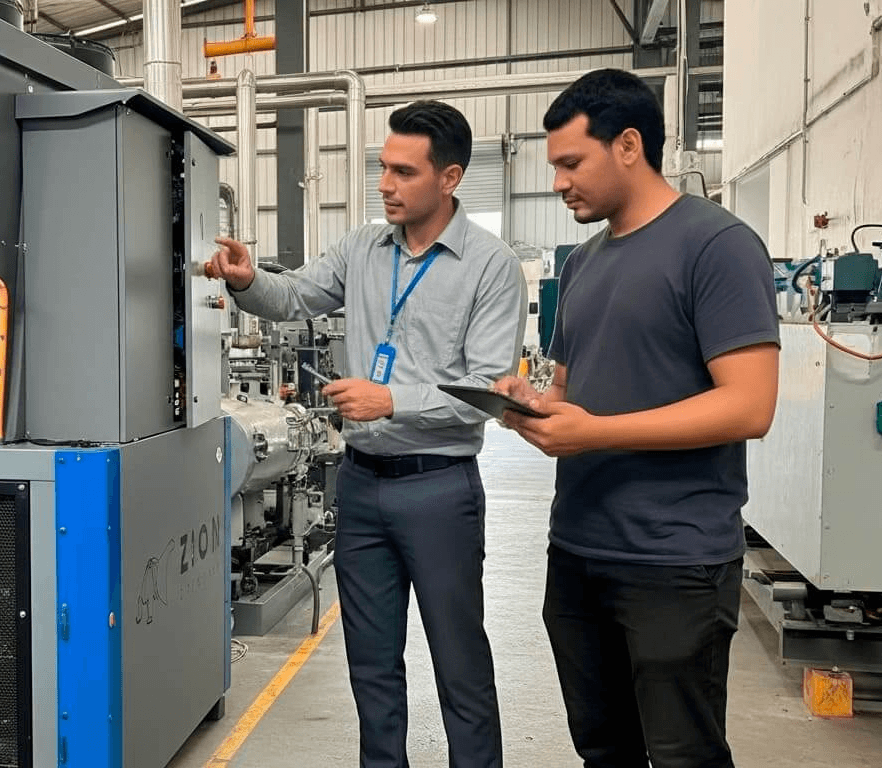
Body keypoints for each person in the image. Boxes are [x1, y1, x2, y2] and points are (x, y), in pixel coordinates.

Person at [207, 100, 527, 768]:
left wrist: (392, 399)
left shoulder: (489, 266)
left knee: (459, 667)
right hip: (361, 489)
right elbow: (295, 295)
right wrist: (247, 280)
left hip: (438, 489)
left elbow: (487, 393)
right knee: (372, 670)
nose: (385, 183)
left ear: (450, 178)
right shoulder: (362, 247)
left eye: (403, 172)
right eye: (383, 167)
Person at [495, 69, 780, 768]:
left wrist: (593, 433)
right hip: (580, 550)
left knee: (684, 754)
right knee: (603, 748)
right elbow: (570, 390)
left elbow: (750, 404)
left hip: (675, 558)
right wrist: (529, 405)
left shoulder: (716, 246)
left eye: (570, 163)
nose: (558, 182)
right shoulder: (582, 264)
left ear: (628, 145)